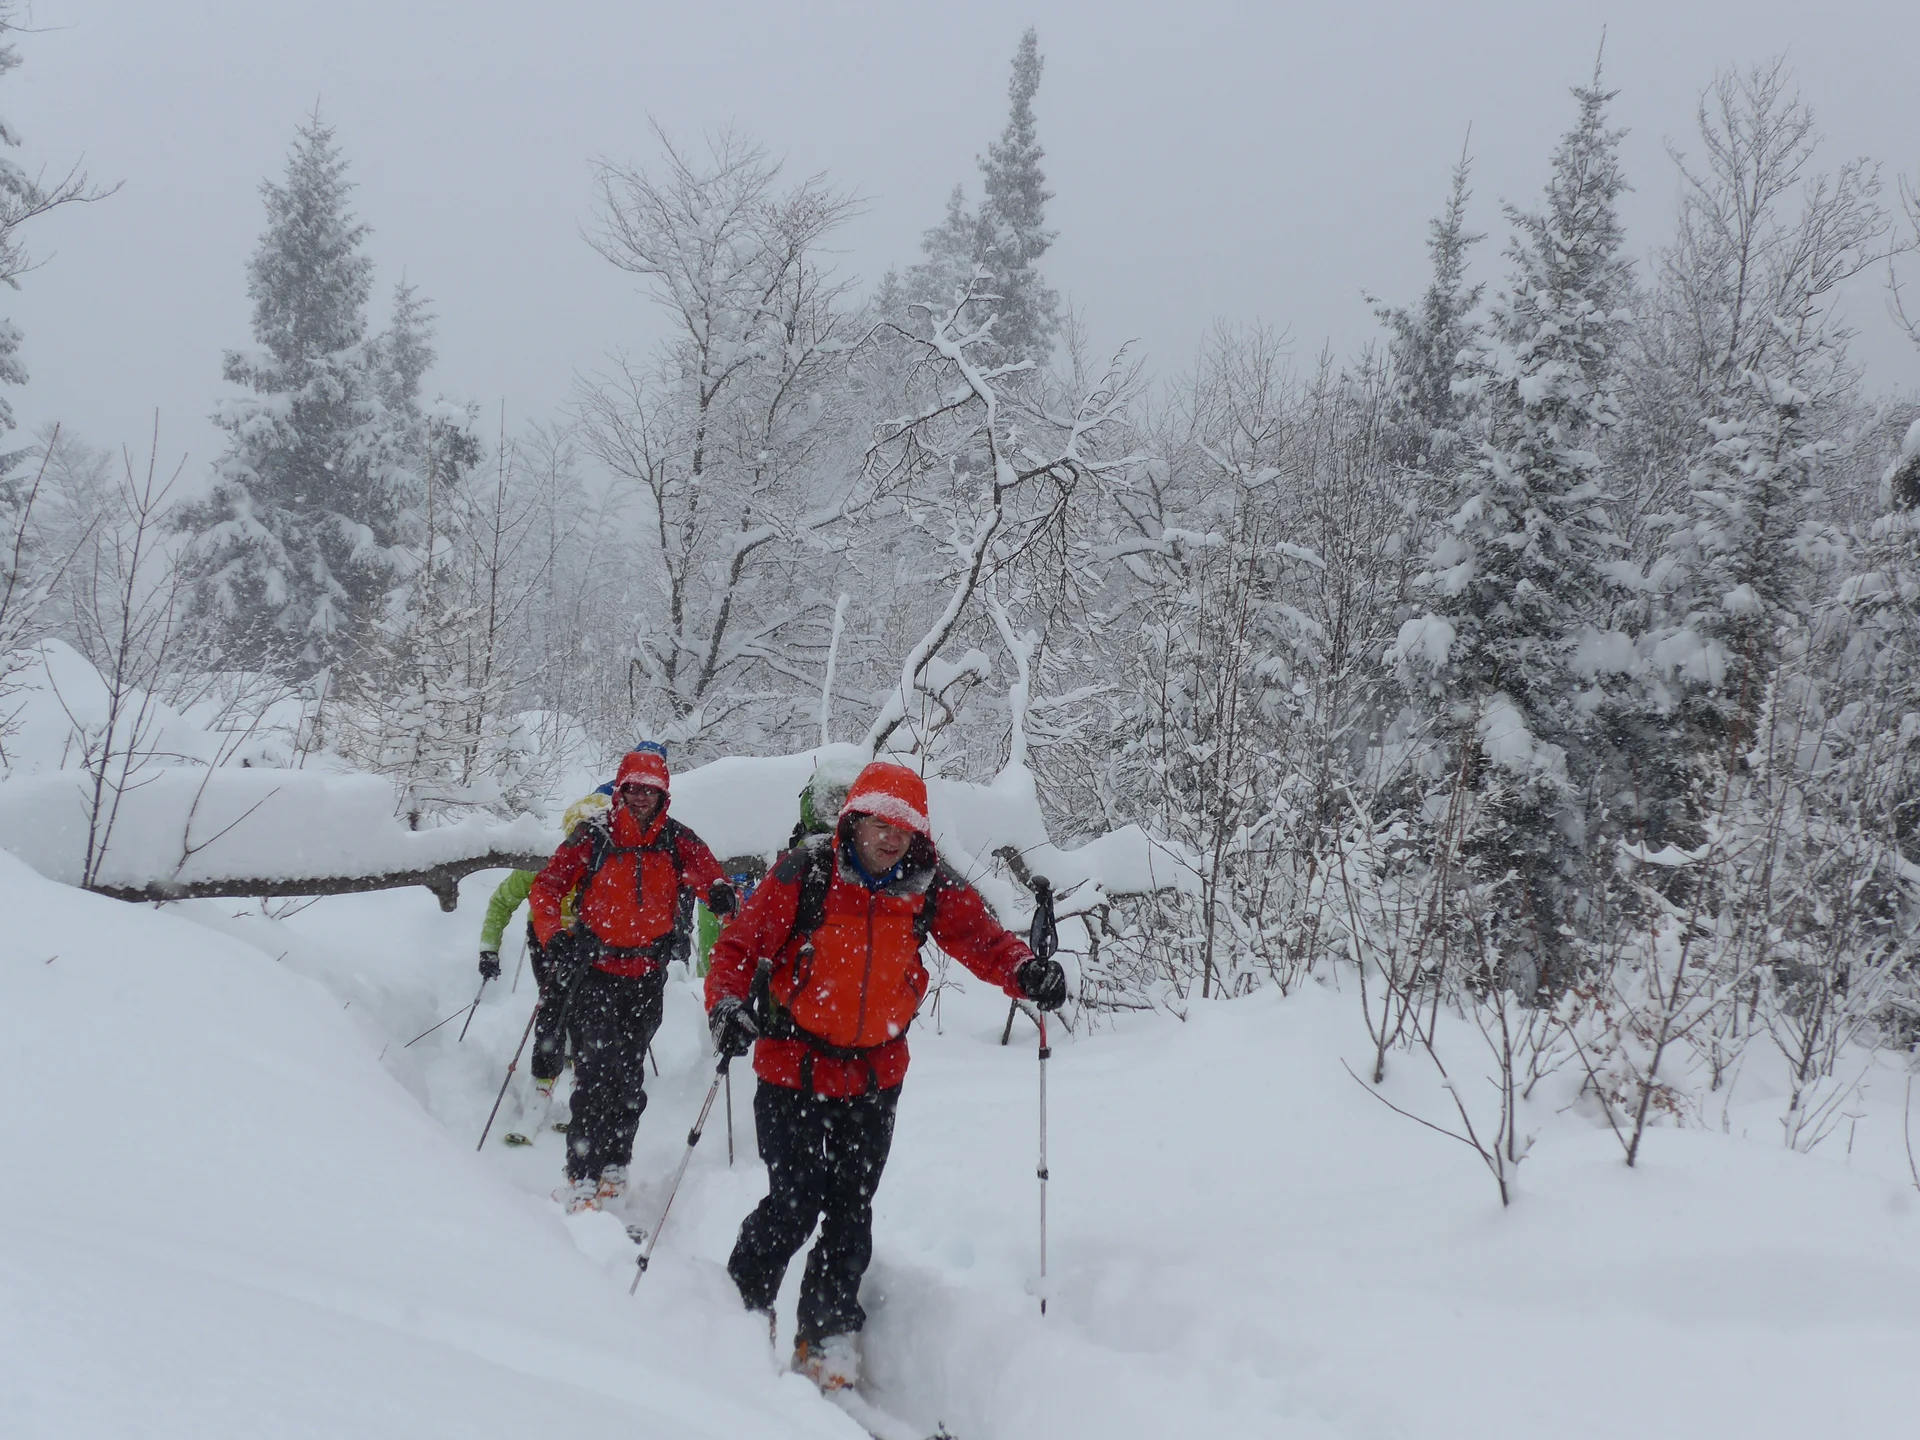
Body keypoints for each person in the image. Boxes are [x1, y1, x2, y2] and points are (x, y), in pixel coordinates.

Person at [704, 760, 1068, 1391]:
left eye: (904, 828)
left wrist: (1026, 971)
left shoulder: (926, 885)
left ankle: (826, 1333)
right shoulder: (806, 873)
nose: (891, 838)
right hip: (793, 1066)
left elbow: (982, 940)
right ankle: (739, 1308)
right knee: (794, 1205)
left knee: (850, 1212)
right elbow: (738, 945)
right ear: (856, 820)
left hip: (874, 1075)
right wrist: (727, 1005)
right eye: (880, 823)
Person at [530, 746, 738, 1212]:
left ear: (663, 795)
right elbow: (547, 887)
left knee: (628, 1074)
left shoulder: (677, 840)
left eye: (651, 791)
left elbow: (709, 875)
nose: (641, 798)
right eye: (633, 789)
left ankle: (615, 1165)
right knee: (594, 1074)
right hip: (596, 974)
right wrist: (554, 935)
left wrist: (721, 894)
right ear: (620, 789)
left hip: (647, 976)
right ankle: (582, 1172)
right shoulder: (593, 836)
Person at [477, 790, 611, 1144]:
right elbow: (502, 901)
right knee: (553, 1006)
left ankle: (583, 1087)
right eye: (579, 831)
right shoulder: (545, 861)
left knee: (589, 1014)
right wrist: (489, 948)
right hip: (548, 940)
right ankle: (542, 1085)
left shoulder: (612, 864)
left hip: (592, 943)